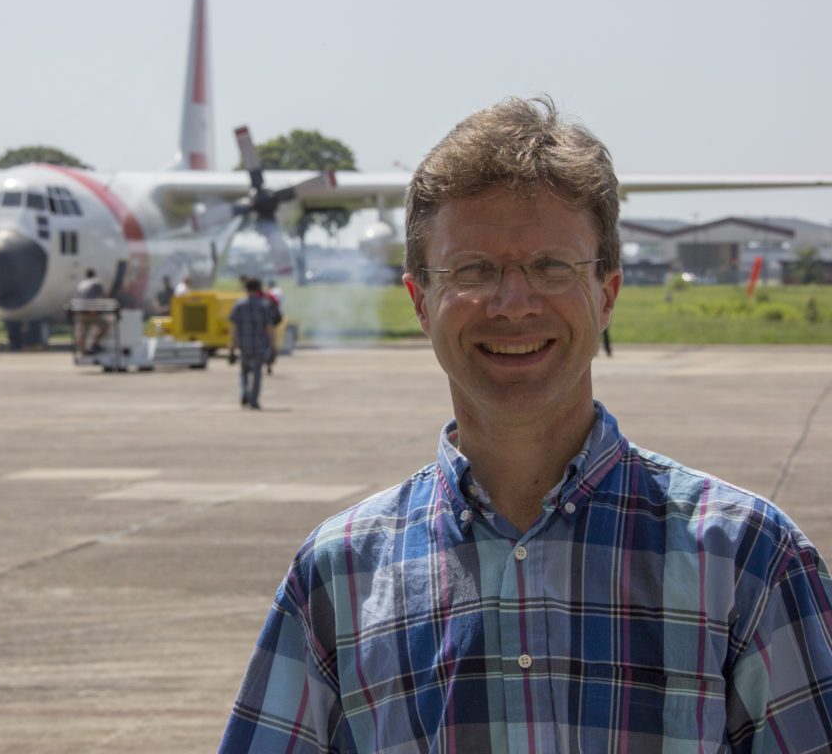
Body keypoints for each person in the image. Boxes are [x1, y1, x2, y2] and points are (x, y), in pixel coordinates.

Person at [218, 97, 832, 752]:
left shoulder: (747, 561)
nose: (513, 304)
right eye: (473, 270)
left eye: (551, 267)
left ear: (608, 295)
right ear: (421, 302)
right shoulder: (338, 576)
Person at [227, 277, 273, 410]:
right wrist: (273, 345)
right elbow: (269, 327)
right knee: (257, 373)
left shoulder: (239, 305)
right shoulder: (263, 306)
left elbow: (234, 326)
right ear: (259, 289)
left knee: (244, 372)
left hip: (244, 345)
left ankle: (244, 392)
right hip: (259, 345)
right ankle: (253, 400)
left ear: (246, 289)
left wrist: (233, 343)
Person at [74, 268, 108, 354]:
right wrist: (102, 308)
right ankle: (95, 343)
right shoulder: (96, 282)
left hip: (80, 310)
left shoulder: (82, 283)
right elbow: (103, 296)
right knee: (105, 326)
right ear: (94, 274)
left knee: (83, 332)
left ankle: (83, 352)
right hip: (90, 310)